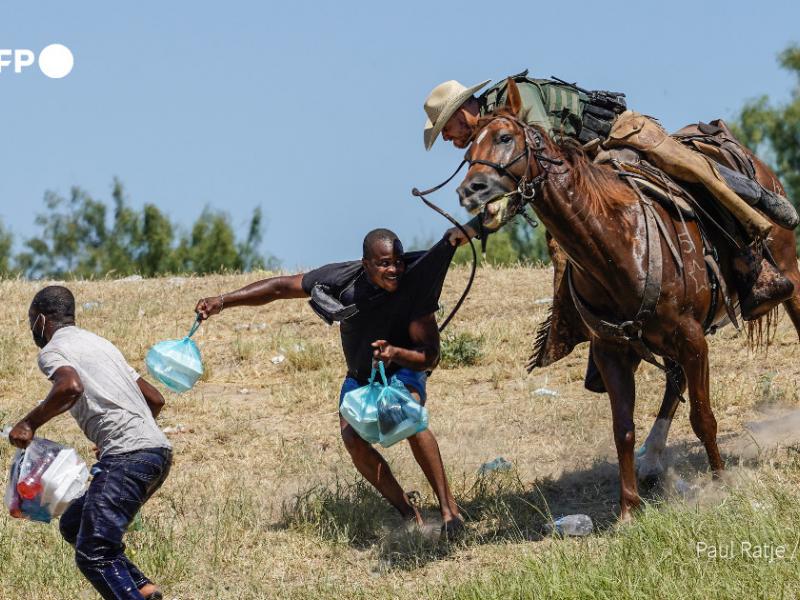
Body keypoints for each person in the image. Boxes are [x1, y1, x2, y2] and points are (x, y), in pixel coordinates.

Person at [423, 72, 795, 320]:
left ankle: (754, 239)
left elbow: (544, 158)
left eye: (446, 127)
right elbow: (525, 185)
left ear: (464, 111)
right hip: (586, 169)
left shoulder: (514, 99)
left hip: (618, 136)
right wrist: (474, 226)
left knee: (690, 172)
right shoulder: (492, 142)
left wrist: (479, 222)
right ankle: (590, 324)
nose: (446, 138)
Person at [195, 229, 465, 537]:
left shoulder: (414, 288)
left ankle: (449, 513)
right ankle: (409, 514)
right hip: (360, 377)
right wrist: (222, 301)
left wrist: (395, 353)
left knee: (407, 416)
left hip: (402, 369)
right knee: (353, 440)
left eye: (399, 262)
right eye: (385, 263)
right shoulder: (342, 279)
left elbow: (430, 356)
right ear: (366, 264)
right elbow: (280, 288)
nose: (394, 270)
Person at [9, 286, 172, 600]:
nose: (32, 328)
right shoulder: (101, 344)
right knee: (75, 523)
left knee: (94, 553)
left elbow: (70, 386)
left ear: (40, 319)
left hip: (129, 456)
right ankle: (143, 589)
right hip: (157, 453)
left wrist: (29, 423)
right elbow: (155, 399)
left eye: (32, 321)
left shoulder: (53, 350)